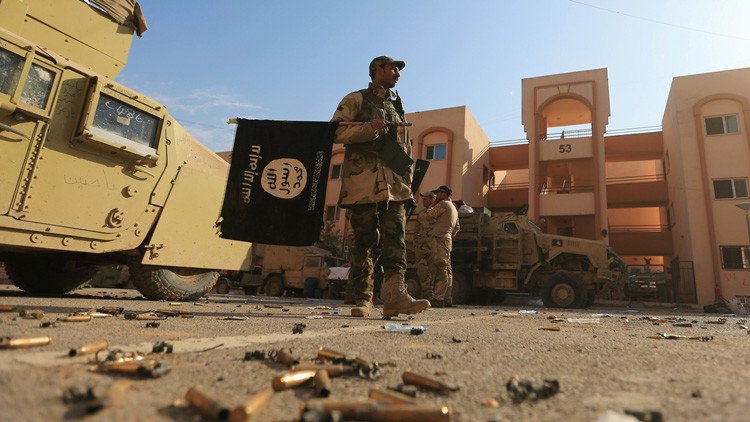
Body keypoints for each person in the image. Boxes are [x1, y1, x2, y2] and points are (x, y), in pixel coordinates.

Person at [331, 56, 430, 318]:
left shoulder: (396, 106)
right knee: (365, 241)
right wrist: (367, 129)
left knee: (396, 239)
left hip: (395, 186)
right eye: (393, 68)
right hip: (363, 183)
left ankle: (396, 297)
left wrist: (407, 182)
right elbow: (335, 132)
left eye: (398, 69)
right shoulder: (356, 98)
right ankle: (363, 299)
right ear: (378, 70)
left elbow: (405, 148)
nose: (397, 72)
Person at [426, 185, 459, 307]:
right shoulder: (453, 207)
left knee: (441, 268)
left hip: (440, 239)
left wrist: (432, 204)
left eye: (438, 194)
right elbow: (457, 227)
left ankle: (439, 298)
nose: (436, 196)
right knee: (447, 269)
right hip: (446, 239)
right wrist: (448, 235)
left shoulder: (443, 204)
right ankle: (447, 298)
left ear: (443, 194)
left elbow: (429, 215)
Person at [414, 191, 436, 299]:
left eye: (425, 199)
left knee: (433, 270)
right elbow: (417, 229)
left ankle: (434, 294)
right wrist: (416, 242)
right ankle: (427, 292)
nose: (423, 201)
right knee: (422, 270)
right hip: (422, 247)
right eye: (423, 199)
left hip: (433, 246)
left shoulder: (438, 212)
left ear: (432, 199)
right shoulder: (422, 213)